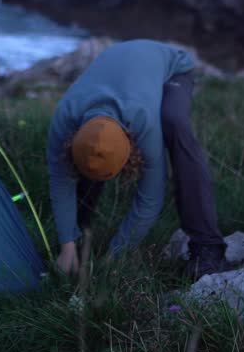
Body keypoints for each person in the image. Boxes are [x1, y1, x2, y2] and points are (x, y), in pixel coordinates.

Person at [46, 39, 229, 281]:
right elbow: (60, 179)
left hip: (172, 67)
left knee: (174, 124)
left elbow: (151, 197)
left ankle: (208, 246)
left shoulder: (142, 122)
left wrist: (116, 254)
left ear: (132, 149)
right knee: (94, 155)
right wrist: (66, 244)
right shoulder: (64, 118)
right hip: (124, 63)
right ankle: (80, 232)